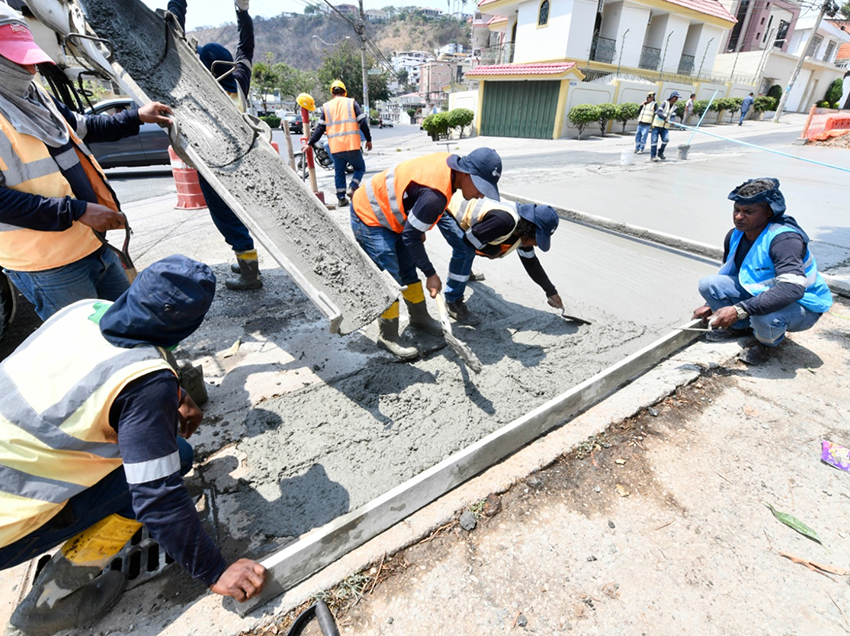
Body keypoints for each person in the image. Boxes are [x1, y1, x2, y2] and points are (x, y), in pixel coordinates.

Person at [0, 256, 267, 635]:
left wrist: (172, 389)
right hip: (9, 522)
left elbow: (98, 363)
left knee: (170, 454)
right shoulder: (144, 386)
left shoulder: (82, 312)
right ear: (186, 330)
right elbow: (156, 496)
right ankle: (52, 600)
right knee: (173, 463)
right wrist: (215, 571)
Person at [0, 16, 173, 321]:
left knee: (133, 326)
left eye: (30, 60)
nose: (30, 70)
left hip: (91, 242)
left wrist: (136, 117)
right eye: (17, 61)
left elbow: (84, 127)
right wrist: (76, 210)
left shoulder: (36, 96)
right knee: (89, 349)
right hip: (47, 265)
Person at [350, 148, 502, 359]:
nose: (481, 194)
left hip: (394, 216)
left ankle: (419, 317)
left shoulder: (449, 166)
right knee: (390, 276)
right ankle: (388, 335)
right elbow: (412, 236)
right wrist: (431, 274)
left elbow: (414, 211)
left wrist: (417, 228)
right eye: (480, 186)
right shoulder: (435, 195)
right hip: (370, 213)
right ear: (466, 173)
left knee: (408, 267)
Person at [168, 0, 263, 291]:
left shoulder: (199, 90)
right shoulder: (240, 82)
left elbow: (173, 40)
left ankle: (250, 272)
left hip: (215, 166)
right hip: (244, 162)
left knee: (226, 218)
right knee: (238, 216)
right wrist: (243, 13)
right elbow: (246, 48)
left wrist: (178, 3)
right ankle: (247, 258)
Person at [692, 178, 832, 365]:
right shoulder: (735, 235)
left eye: (748, 212)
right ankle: (741, 328)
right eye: (737, 210)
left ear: (768, 212)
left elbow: (792, 290)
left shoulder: (784, 240)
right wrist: (710, 306)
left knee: (765, 317)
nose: (739, 217)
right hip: (763, 293)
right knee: (708, 284)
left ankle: (768, 343)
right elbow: (730, 274)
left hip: (802, 303)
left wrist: (739, 309)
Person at [437, 193, 563, 326]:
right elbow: (470, 241)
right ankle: (453, 301)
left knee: (482, 241)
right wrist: (495, 251)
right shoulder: (504, 221)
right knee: (465, 252)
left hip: (474, 223)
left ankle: (464, 271)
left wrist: (550, 291)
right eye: (538, 238)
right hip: (446, 206)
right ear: (530, 229)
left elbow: (531, 263)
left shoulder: (523, 230)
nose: (537, 244)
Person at [309, 79, 373, 207]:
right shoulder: (351, 103)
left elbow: (320, 128)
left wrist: (310, 143)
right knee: (360, 168)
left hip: (335, 147)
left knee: (339, 172)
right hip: (351, 145)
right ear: (345, 93)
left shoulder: (326, 107)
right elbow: (363, 123)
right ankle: (353, 187)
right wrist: (368, 139)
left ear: (332, 93)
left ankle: (341, 198)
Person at [650, 91, 679, 162]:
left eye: (677, 98)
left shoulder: (675, 107)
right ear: (672, 97)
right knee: (654, 141)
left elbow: (672, 116)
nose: (676, 99)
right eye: (675, 97)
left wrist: (672, 121)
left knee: (666, 140)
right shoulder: (664, 103)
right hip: (657, 125)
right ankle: (653, 156)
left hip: (665, 127)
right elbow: (658, 112)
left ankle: (660, 153)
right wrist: (664, 118)